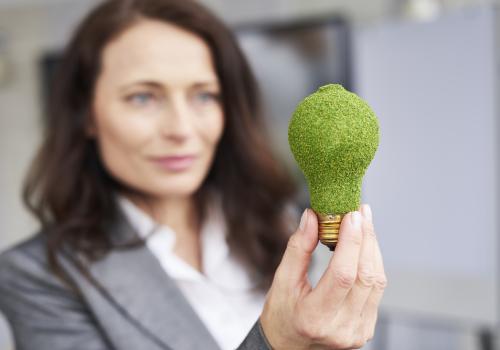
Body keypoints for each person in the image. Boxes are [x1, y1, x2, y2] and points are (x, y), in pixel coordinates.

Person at [0, 0, 387, 349]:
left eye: (204, 95)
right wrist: (277, 344)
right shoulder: (39, 278)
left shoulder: (278, 225)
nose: (182, 129)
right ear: (86, 114)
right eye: (143, 97)